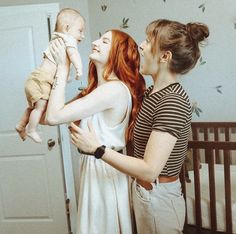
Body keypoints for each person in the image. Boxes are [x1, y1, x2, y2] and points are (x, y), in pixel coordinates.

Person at [69, 19, 209, 234]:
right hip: (146, 195)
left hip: (159, 199)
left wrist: (97, 149)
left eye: (147, 41)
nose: (141, 46)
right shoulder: (153, 93)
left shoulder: (172, 100)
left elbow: (150, 169)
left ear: (164, 56)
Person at [45, 30, 146, 234]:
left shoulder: (114, 90)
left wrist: (63, 68)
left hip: (104, 171)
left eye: (105, 41)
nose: (94, 41)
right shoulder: (98, 91)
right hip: (96, 168)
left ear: (117, 52)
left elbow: (52, 117)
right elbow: (46, 115)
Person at [15, 8, 85, 143]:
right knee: (41, 108)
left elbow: (58, 64)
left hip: (36, 78)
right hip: (42, 80)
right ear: (67, 28)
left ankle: (21, 125)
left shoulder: (56, 39)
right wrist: (79, 69)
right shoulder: (68, 40)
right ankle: (31, 129)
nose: (82, 36)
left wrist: (67, 75)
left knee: (34, 108)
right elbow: (73, 55)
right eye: (80, 31)